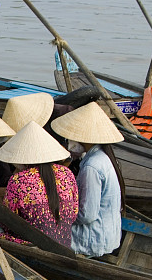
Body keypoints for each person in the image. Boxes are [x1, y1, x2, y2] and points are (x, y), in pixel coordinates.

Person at [51, 102, 126, 257]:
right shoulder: (103, 158)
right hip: (108, 235)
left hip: (92, 239)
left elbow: (87, 215)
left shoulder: (92, 166)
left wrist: (58, 215)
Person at [0, 121, 78, 248]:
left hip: (32, 246)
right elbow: (73, 214)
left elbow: (8, 222)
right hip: (64, 244)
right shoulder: (67, 173)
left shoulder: (18, 180)